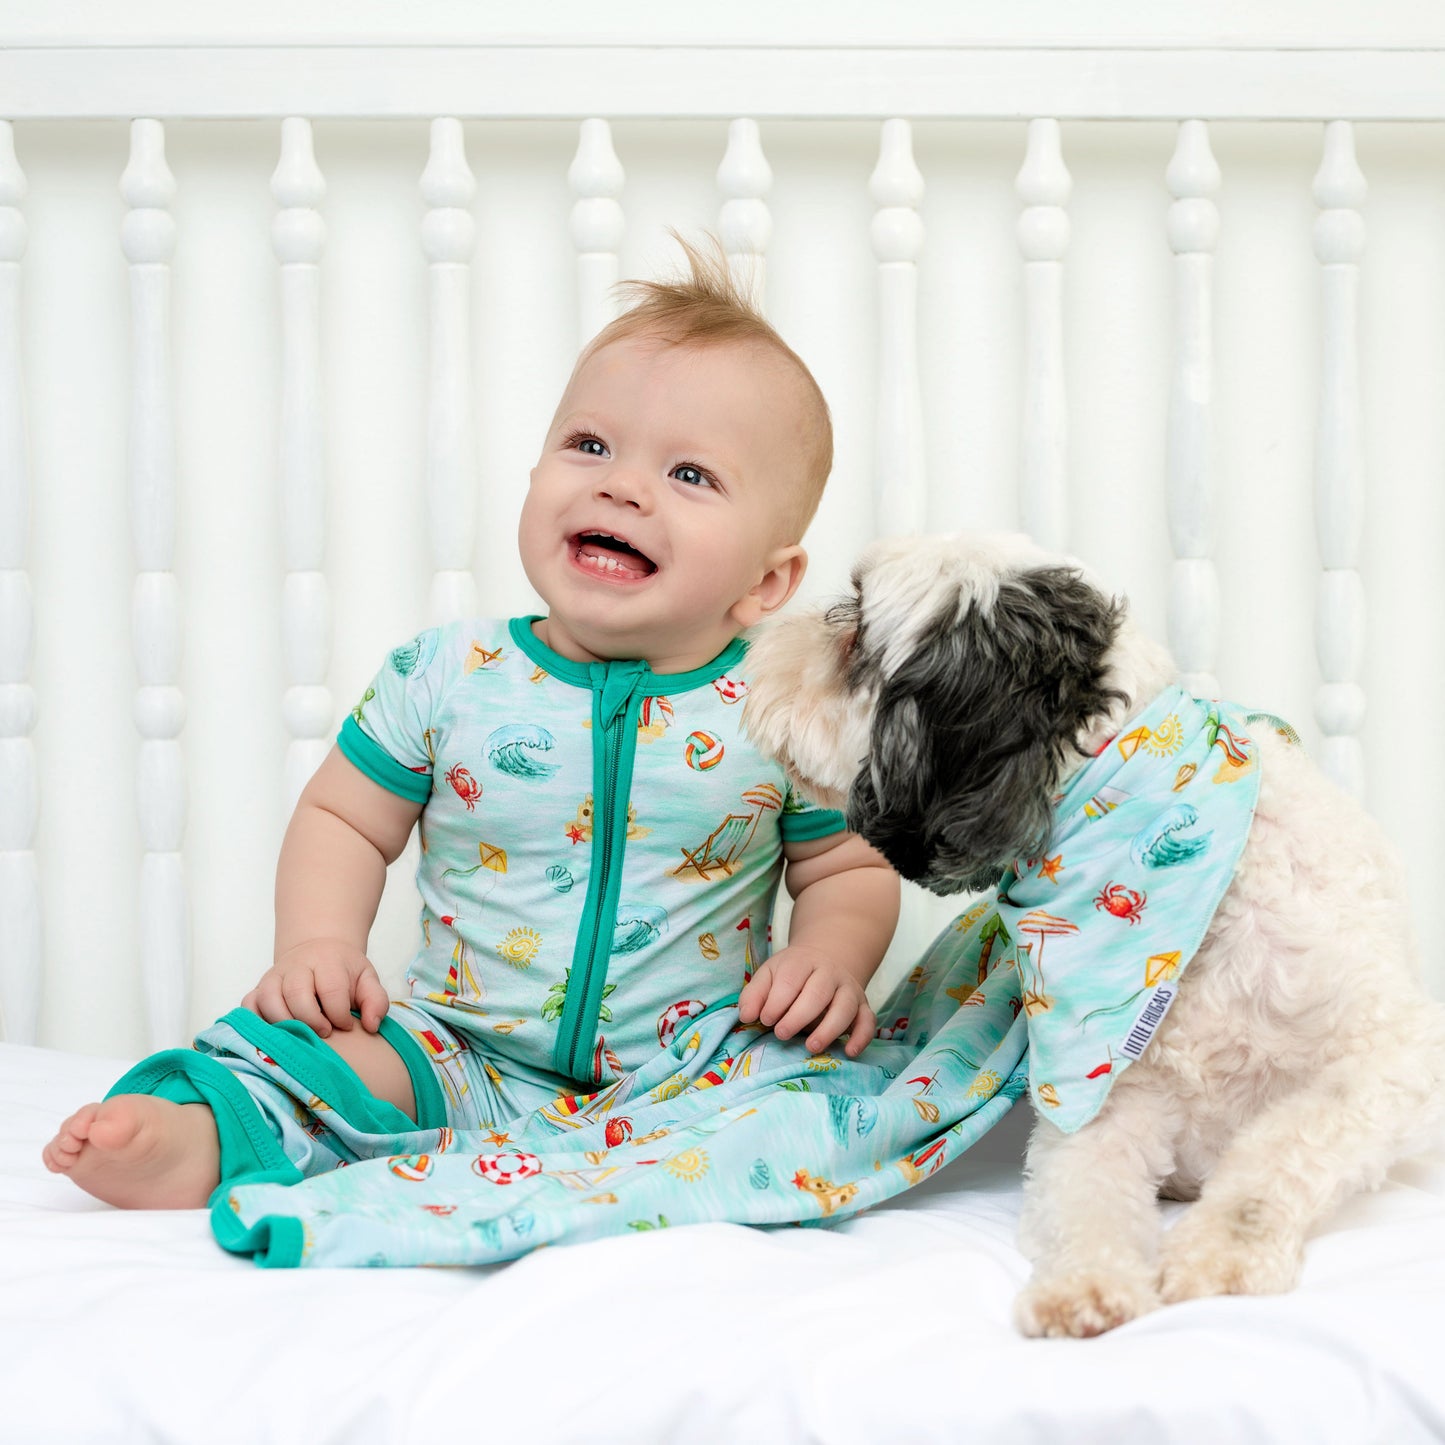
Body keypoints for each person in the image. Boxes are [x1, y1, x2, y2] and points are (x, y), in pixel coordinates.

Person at [42, 238, 901, 1210]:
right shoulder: (447, 675)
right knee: (327, 1059)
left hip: (688, 1072)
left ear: (769, 580)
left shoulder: (785, 706)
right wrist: (316, 943)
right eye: (590, 445)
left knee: (825, 1089)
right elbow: (343, 819)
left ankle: (672, 1170)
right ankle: (200, 1136)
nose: (621, 485)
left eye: (690, 475)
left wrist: (826, 959)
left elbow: (845, 866)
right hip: (456, 1052)